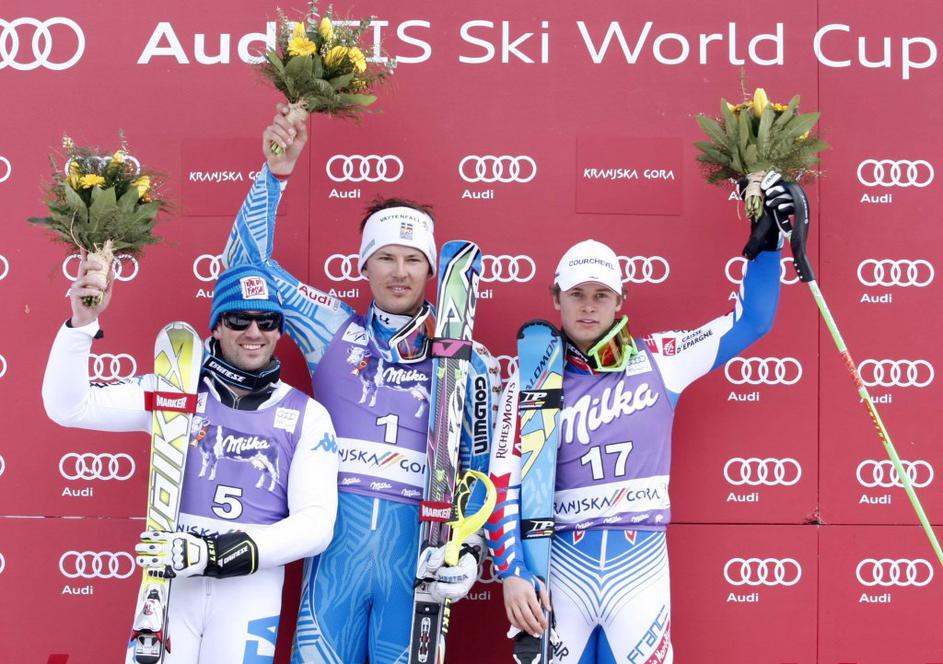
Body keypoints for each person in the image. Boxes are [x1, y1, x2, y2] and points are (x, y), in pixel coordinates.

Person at [222, 106, 501, 664]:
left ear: (431, 273)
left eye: (414, 260)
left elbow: (477, 466)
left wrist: (467, 550)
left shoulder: (466, 361)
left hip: (415, 564)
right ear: (364, 267)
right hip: (333, 564)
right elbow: (243, 271)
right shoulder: (332, 328)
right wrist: (274, 175)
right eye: (387, 258)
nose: (400, 272)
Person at [486, 179, 798, 663]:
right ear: (556, 299)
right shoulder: (531, 382)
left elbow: (751, 321)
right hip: (559, 570)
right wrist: (511, 570)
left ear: (621, 300)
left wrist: (769, 246)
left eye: (601, 295)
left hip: (641, 571)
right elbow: (501, 485)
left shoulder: (661, 359)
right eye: (577, 294)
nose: (589, 306)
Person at [42, 257, 339, 663]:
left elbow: (315, 526)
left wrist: (212, 553)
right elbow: (67, 407)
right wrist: (81, 325)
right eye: (239, 320)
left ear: (278, 330)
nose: (254, 333)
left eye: (267, 322)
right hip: (169, 589)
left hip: (249, 594)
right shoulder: (173, 392)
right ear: (216, 326)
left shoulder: (308, 415)